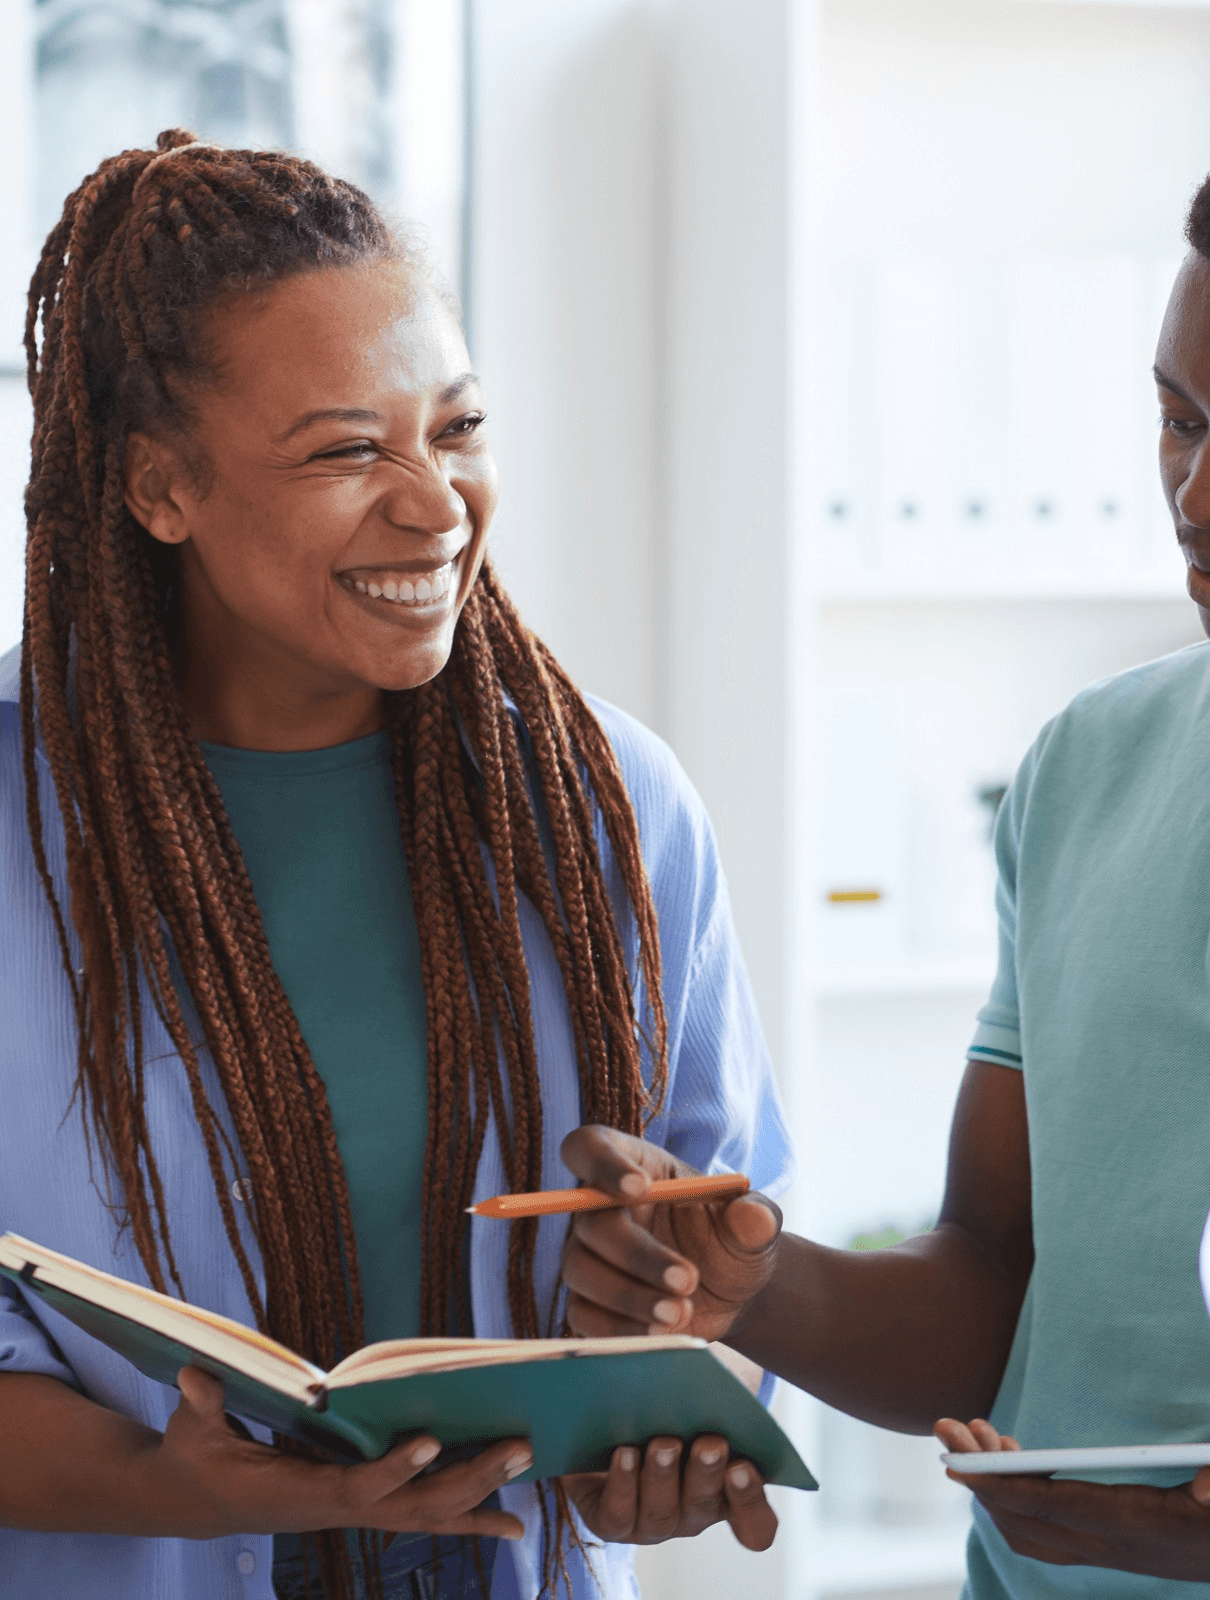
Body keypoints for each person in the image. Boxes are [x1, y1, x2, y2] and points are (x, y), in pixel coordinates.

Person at [558, 97, 1210, 1600]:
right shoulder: (1089, 764)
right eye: (1180, 417)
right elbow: (994, 1290)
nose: (1201, 495)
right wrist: (753, 1286)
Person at [0, 131, 791, 1600]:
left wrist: (671, 1410)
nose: (435, 504)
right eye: (348, 449)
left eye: (460, 427)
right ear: (160, 486)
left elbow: (733, 1276)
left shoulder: (609, 807)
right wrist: (161, 1482)